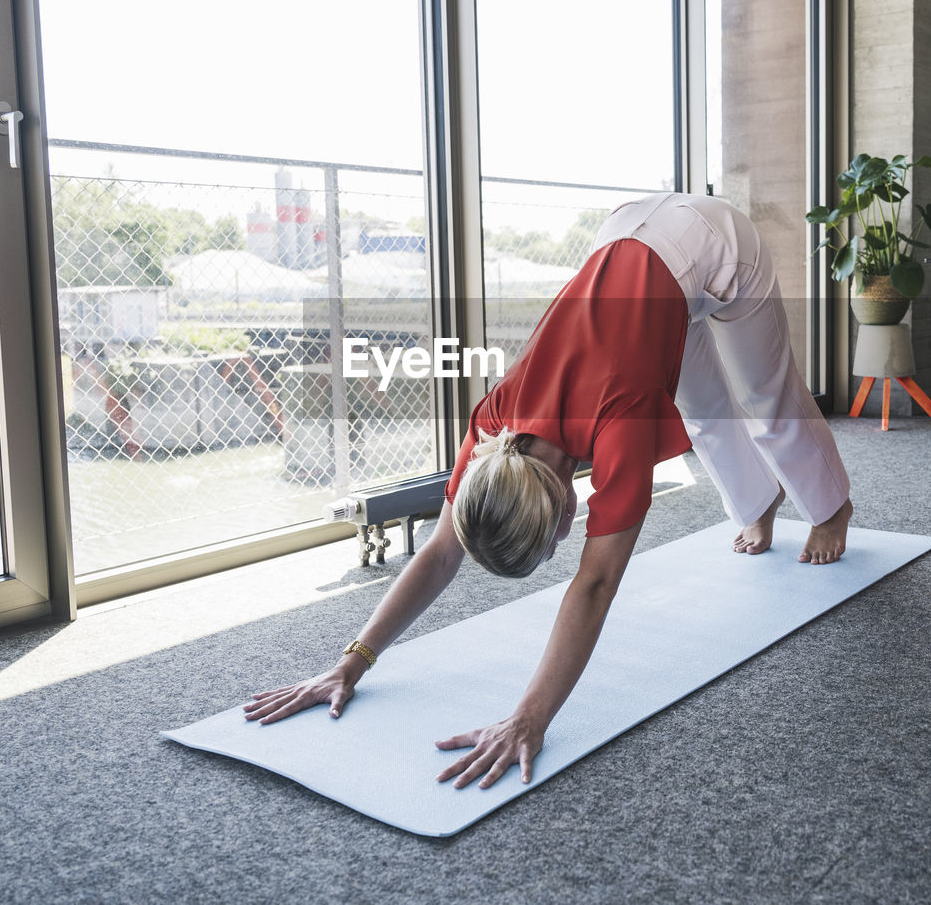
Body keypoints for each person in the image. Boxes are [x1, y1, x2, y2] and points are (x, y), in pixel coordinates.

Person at [244, 192, 853, 791]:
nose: (568, 545)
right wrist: (354, 658)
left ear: (567, 505)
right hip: (627, 243)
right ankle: (758, 505)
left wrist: (528, 717)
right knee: (700, 406)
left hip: (710, 242)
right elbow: (438, 551)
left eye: (556, 541)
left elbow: (595, 584)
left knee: (762, 397)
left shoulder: (622, 420)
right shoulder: (494, 431)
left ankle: (831, 507)